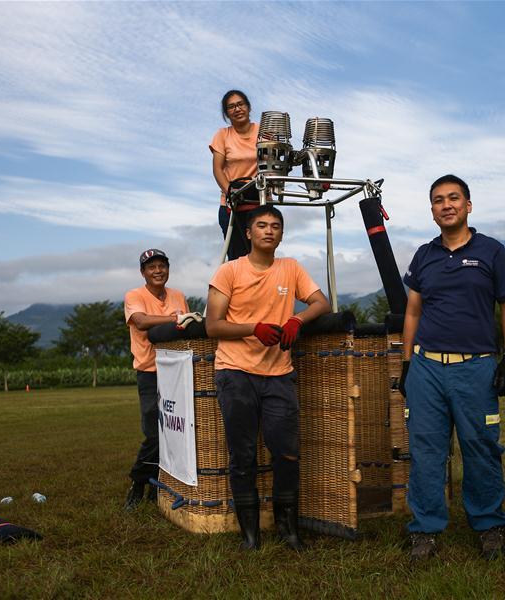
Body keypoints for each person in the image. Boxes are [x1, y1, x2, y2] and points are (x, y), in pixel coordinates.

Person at [398, 174, 505, 561]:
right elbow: (413, 311)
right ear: (432, 210)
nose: (446, 204)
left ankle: (490, 526)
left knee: (480, 447)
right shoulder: (424, 255)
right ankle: (425, 530)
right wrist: (406, 363)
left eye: (454, 198)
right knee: (425, 450)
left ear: (469, 205)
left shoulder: (491, 251)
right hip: (427, 367)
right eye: (438, 200)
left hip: (476, 367)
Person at [205, 204, 331, 552]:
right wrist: (253, 329)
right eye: (261, 225)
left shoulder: (290, 268)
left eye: (276, 225)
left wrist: (297, 321)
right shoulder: (229, 272)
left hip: (279, 374)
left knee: (286, 453)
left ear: (281, 233)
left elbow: (322, 302)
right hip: (235, 372)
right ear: (248, 233)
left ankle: (288, 530)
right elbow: (212, 325)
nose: (269, 230)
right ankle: (250, 536)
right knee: (243, 455)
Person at [123, 249, 190, 510]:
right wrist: (174, 319)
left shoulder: (178, 295)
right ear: (143, 272)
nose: (158, 270)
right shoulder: (134, 296)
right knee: (154, 433)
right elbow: (140, 322)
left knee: (175, 431)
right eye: (152, 267)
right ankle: (138, 482)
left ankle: (158, 485)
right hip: (149, 372)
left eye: (162, 266)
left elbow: (184, 328)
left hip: (176, 371)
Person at [210, 89, 261, 261]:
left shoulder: (262, 132)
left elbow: (272, 161)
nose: (237, 109)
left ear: (248, 107)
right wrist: (230, 192)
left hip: (259, 202)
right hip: (232, 205)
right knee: (237, 259)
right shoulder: (222, 135)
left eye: (240, 104)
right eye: (231, 107)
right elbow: (218, 169)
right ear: (226, 113)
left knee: (261, 256)